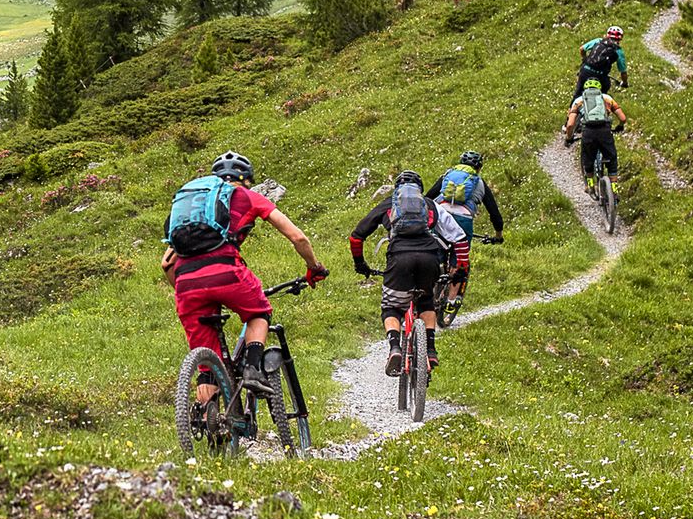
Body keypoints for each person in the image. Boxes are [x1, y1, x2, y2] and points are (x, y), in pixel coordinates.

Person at [162, 151, 328, 397]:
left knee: (207, 366)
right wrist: (314, 267)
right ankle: (252, 370)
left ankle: (210, 424)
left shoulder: (197, 207)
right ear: (247, 179)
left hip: (187, 281)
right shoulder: (247, 197)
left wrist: (187, 291)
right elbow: (297, 237)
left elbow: (166, 264)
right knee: (259, 313)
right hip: (227, 273)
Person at [350, 171, 469, 374]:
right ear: (419, 190)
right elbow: (459, 238)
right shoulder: (430, 205)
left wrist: (360, 263)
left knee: (391, 308)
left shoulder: (388, 205)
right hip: (429, 258)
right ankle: (430, 350)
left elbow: (357, 236)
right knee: (426, 302)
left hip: (400, 258)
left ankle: (395, 348)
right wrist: (460, 269)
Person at [425, 150, 504, 302]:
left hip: (440, 216)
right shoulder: (479, 183)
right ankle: (451, 301)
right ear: (479, 168)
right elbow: (494, 212)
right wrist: (498, 235)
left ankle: (429, 296)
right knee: (460, 259)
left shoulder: (447, 176)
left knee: (436, 255)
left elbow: (428, 197)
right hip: (463, 221)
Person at [562, 78, 629, 194]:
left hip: (589, 131)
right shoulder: (607, 98)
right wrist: (620, 126)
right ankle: (614, 188)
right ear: (599, 88)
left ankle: (590, 184)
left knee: (587, 157)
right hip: (605, 131)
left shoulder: (579, 101)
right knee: (611, 158)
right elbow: (623, 118)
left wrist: (569, 138)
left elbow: (570, 124)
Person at [573, 26, 629, 101]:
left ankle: (571, 110)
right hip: (601, 76)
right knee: (603, 95)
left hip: (585, 71)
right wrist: (624, 83)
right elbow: (623, 72)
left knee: (577, 95)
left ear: (607, 35)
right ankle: (602, 109)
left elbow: (582, 49)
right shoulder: (619, 51)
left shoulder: (598, 41)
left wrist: (584, 59)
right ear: (620, 38)